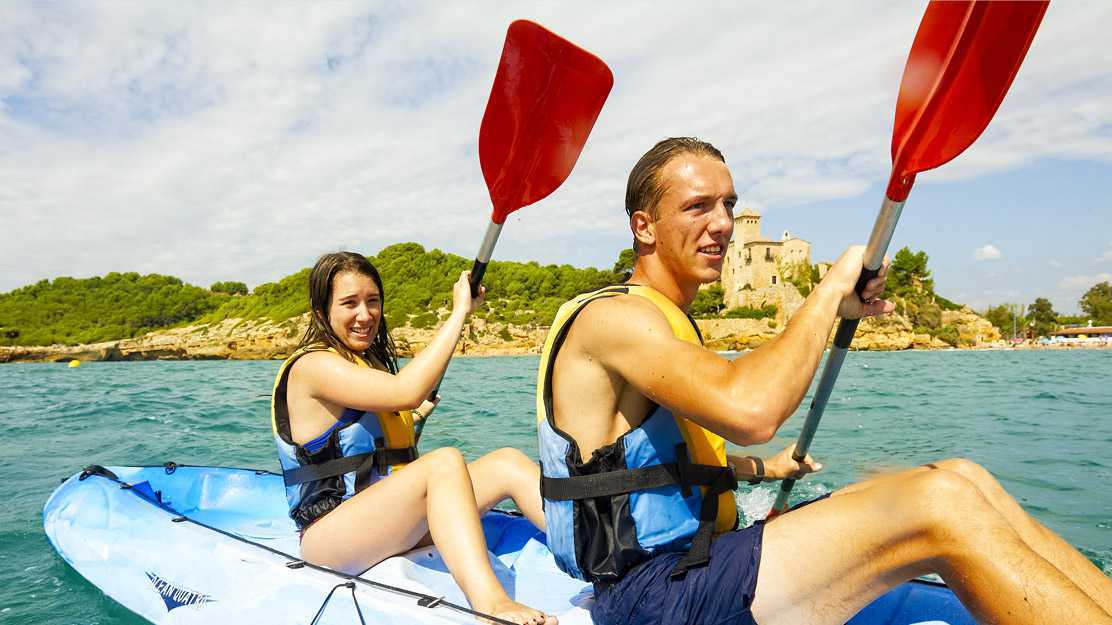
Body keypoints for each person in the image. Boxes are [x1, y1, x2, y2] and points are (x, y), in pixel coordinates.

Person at [535, 138, 1112, 625]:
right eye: (697, 207)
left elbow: (655, 467)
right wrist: (828, 293)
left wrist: (767, 470)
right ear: (644, 226)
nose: (724, 224)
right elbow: (751, 411)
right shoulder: (614, 318)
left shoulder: (663, 321)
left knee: (963, 476)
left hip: (698, 561)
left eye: (730, 205)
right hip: (651, 597)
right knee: (942, 503)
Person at [271, 252, 555, 625]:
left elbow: (376, 440)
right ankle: (491, 604)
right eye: (349, 303)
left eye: (373, 301)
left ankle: (598, 550)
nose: (365, 314)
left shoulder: (367, 364)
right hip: (330, 536)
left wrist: (413, 421)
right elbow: (405, 391)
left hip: (387, 525)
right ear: (322, 311)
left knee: (506, 463)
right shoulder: (313, 367)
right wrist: (460, 313)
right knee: (442, 463)